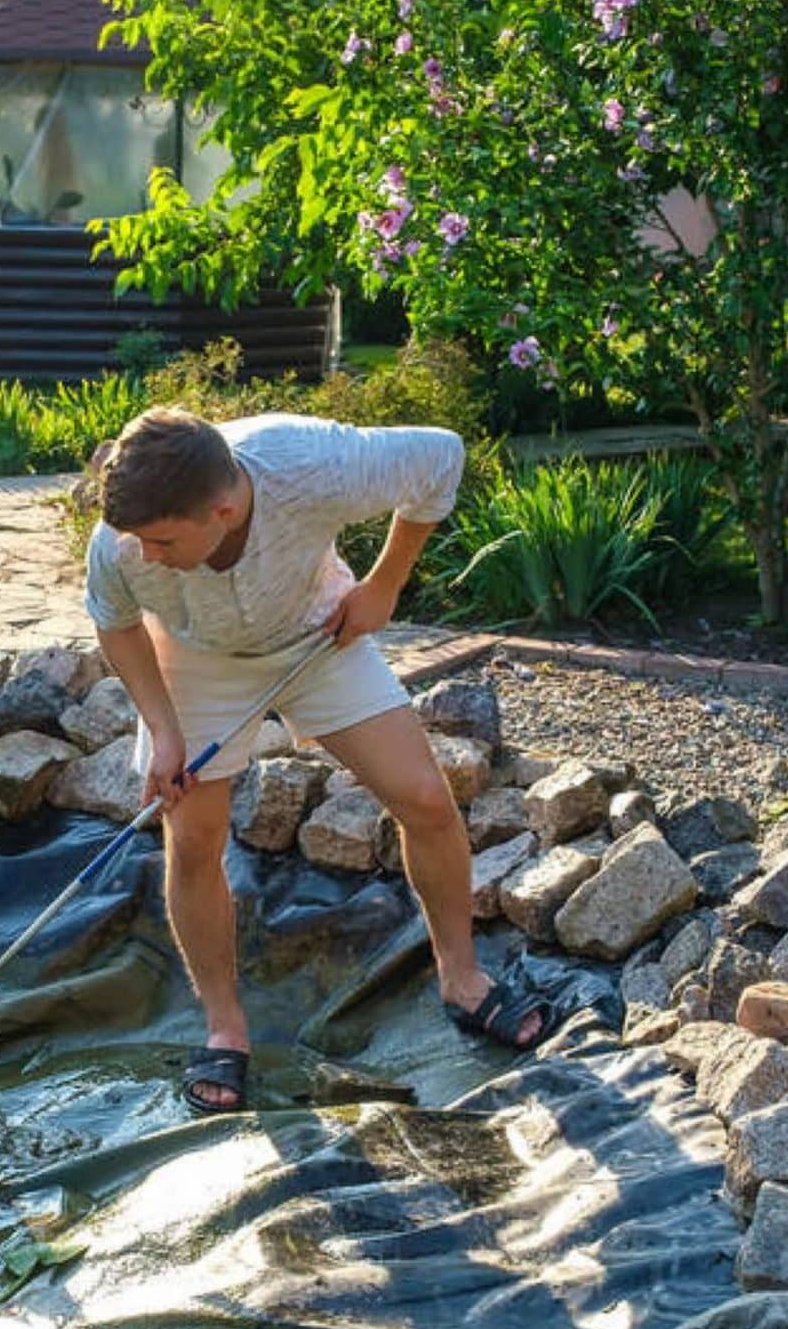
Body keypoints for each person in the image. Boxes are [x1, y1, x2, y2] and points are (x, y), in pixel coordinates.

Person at [80, 407, 557, 1114]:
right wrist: (164, 729)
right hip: (197, 656)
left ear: (223, 507)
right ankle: (225, 1028)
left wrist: (385, 584)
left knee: (425, 797)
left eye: (162, 541)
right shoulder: (121, 543)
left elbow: (441, 459)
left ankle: (462, 979)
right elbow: (115, 622)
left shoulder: (309, 463)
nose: (145, 555)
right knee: (195, 837)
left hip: (317, 635)